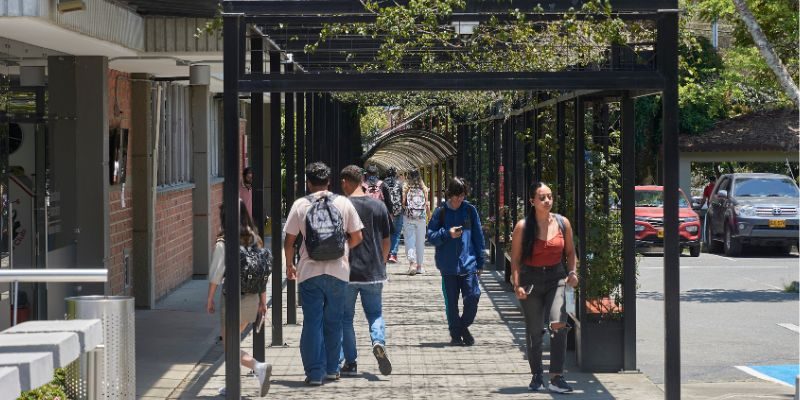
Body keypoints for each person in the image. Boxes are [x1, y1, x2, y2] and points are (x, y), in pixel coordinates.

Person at [284, 162, 364, 386]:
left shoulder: (300, 205)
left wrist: (289, 265)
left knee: (312, 322)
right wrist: (342, 247)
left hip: (309, 272)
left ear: (308, 183)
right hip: (339, 272)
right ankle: (332, 369)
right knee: (334, 322)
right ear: (329, 182)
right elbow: (357, 236)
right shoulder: (343, 203)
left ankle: (315, 373)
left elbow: (289, 241)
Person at [510, 182, 578, 394]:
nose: (547, 201)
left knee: (558, 322)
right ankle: (537, 373)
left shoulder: (562, 223)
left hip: (556, 279)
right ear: (532, 201)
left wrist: (572, 272)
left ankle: (556, 376)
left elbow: (570, 252)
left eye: (550, 196)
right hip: (531, 280)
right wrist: (517, 284)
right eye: (542, 197)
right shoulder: (523, 227)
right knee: (534, 331)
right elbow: (515, 260)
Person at [206, 200, 272, 397]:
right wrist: (263, 300)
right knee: (234, 342)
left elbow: (216, 274)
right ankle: (231, 383)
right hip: (252, 299)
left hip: (233, 300)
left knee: (230, 346)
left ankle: (258, 367)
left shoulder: (224, 242)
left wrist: (209, 299)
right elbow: (262, 272)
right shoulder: (256, 239)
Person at [339, 165, 393, 376]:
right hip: (373, 270)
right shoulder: (378, 206)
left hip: (348, 271)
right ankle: (378, 341)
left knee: (345, 318)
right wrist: (383, 261)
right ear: (361, 179)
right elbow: (387, 240)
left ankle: (350, 362)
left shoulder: (342, 206)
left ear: (345, 181)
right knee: (375, 313)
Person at [427, 177, 486, 346]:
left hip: (468, 263)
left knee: (473, 296)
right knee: (451, 303)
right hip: (448, 266)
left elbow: (478, 236)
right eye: (456, 196)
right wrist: (447, 233)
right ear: (449, 195)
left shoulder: (469, 210)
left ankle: (462, 326)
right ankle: (456, 334)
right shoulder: (441, 212)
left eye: (462, 196)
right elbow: (430, 236)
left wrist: (480, 261)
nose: (459, 199)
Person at [402, 169, 431, 275]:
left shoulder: (405, 188)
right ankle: (419, 267)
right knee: (420, 242)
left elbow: (403, 203)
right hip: (421, 218)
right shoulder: (423, 188)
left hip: (408, 217)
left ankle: (412, 263)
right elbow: (427, 205)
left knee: (409, 239)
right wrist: (430, 217)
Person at [382, 167, 405, 264]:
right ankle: (393, 254)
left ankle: (385, 253)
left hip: (386, 211)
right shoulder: (400, 183)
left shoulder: (383, 184)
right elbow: (402, 198)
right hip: (398, 211)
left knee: (386, 233)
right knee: (396, 233)